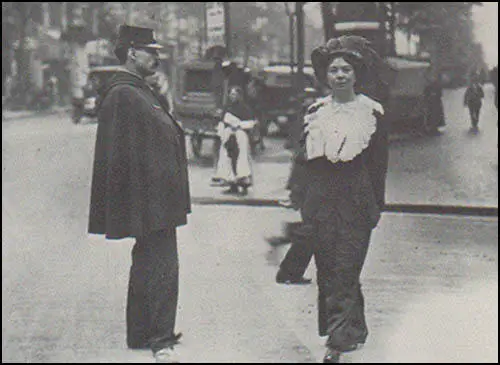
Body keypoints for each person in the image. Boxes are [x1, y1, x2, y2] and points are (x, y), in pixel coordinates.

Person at [87, 25, 191, 363]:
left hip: (154, 198)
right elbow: (120, 157)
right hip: (150, 200)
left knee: (150, 261)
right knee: (162, 265)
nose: (157, 57)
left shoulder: (137, 90)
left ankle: (143, 332)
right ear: (132, 52)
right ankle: (160, 340)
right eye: (151, 51)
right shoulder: (124, 93)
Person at [295, 36, 389, 363]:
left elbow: (379, 165)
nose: (339, 75)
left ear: (356, 74)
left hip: (356, 203)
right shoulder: (315, 112)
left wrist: (377, 205)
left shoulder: (371, 112)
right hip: (322, 202)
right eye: (333, 70)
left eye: (346, 69)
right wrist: (303, 201)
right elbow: (303, 160)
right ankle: (354, 329)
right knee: (328, 268)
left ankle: (337, 341)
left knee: (345, 269)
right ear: (325, 76)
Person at [212, 85, 254, 195]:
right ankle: (232, 185)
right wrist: (221, 132)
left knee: (241, 160)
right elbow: (222, 122)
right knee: (228, 159)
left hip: (240, 136)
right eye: (231, 94)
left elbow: (250, 123)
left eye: (235, 94)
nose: (232, 96)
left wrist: (239, 125)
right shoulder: (227, 107)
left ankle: (244, 185)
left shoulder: (245, 108)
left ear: (240, 95)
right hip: (228, 136)